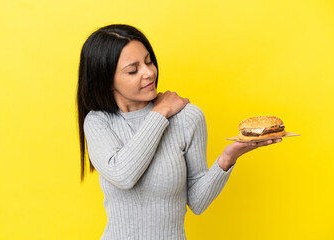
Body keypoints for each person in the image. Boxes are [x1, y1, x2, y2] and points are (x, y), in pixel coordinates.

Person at [76, 24, 282, 240]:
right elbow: (124, 175)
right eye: (133, 70)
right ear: (106, 81)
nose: (149, 73)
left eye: (148, 61)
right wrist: (161, 112)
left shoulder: (187, 117)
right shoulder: (98, 122)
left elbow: (197, 202)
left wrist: (227, 159)